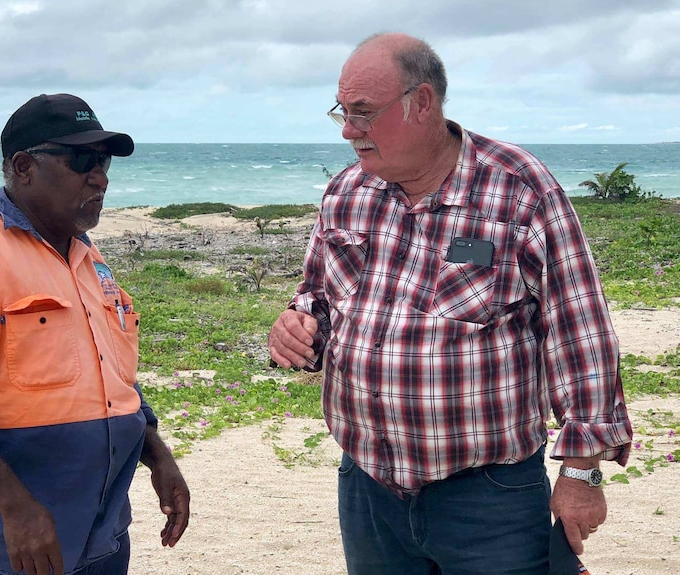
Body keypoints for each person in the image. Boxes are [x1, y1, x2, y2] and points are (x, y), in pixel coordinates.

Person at [267, 33, 632, 575]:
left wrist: (581, 474)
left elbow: (579, 332)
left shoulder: (518, 190)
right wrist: (296, 331)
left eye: (363, 113)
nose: (348, 130)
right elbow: (318, 299)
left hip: (489, 496)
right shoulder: (346, 193)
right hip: (367, 488)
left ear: (421, 103)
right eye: (342, 112)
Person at [0, 93, 190, 575]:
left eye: (102, 162)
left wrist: (158, 455)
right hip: (13, 544)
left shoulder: (88, 259)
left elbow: (112, 377)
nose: (99, 176)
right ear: (23, 167)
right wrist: (16, 509)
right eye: (81, 160)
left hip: (102, 534)